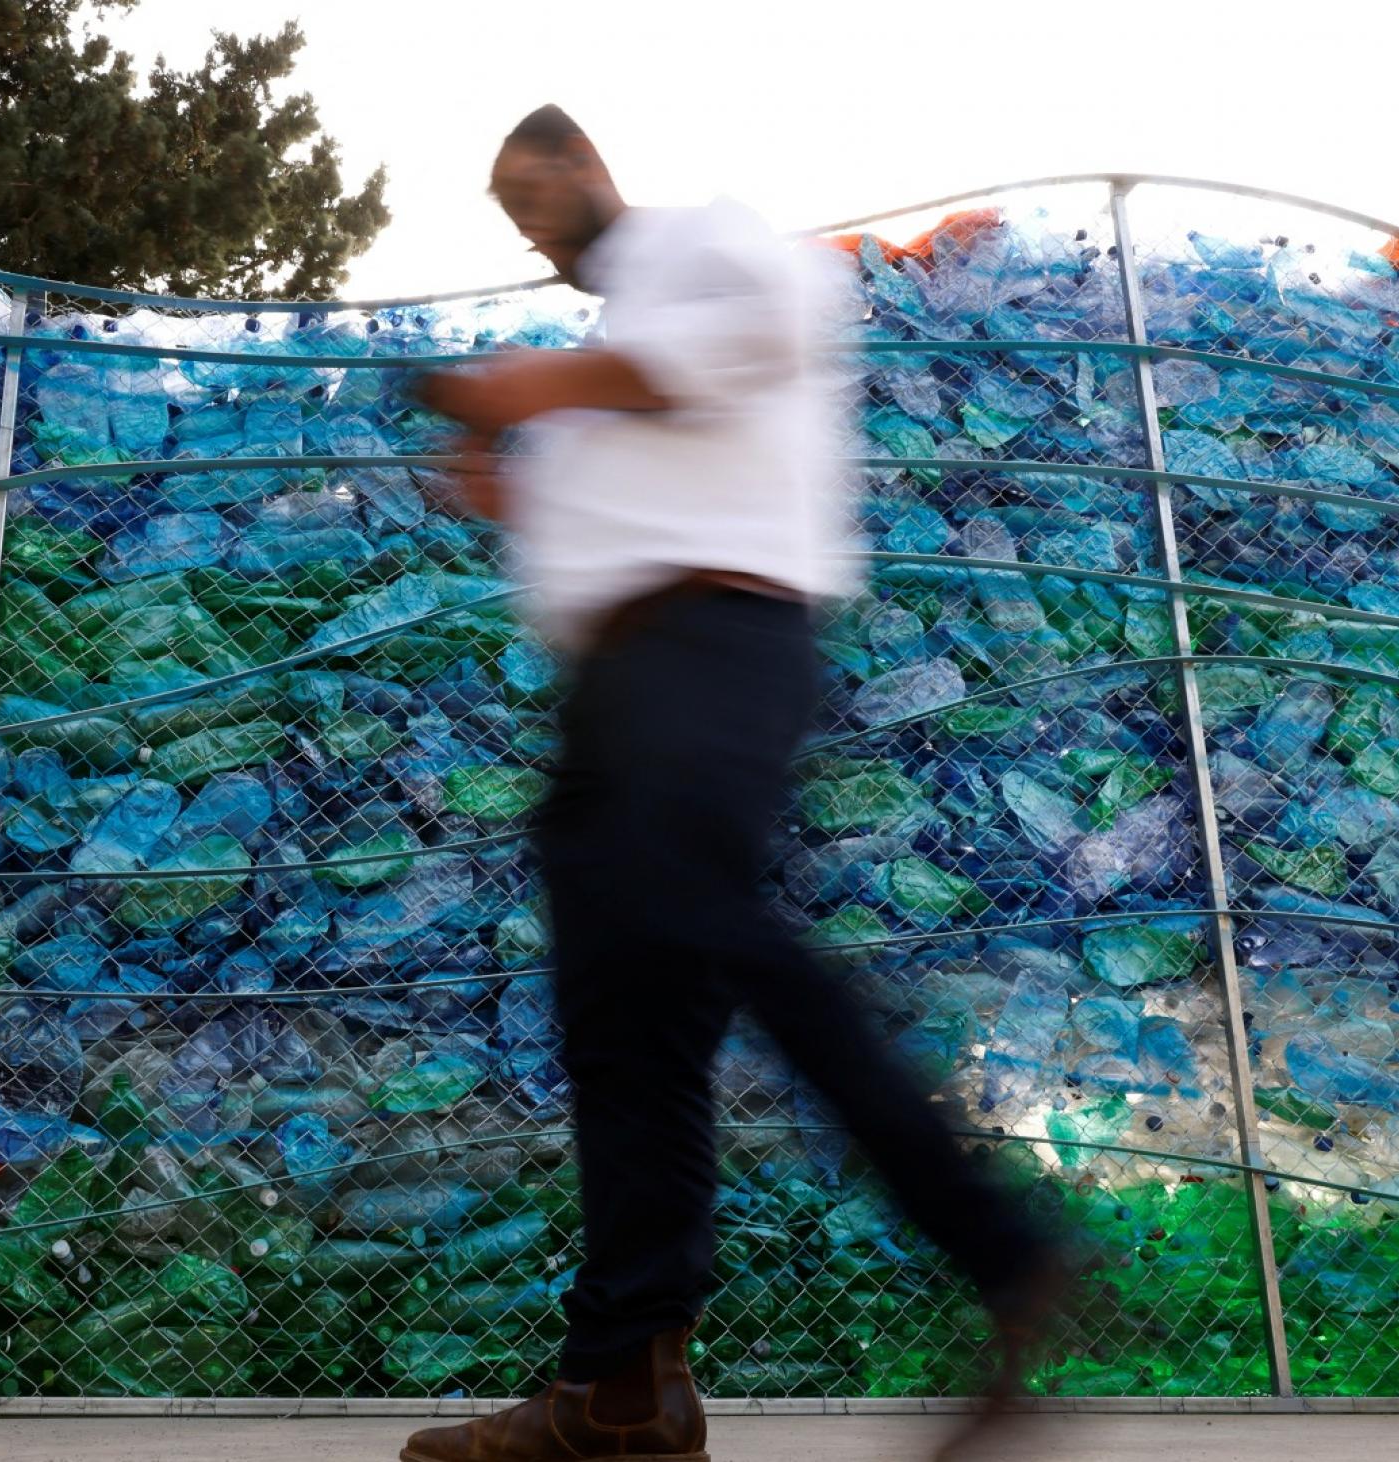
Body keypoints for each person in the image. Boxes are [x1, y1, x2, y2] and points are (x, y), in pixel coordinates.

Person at [397, 106, 1071, 1462]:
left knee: (713, 929)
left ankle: (1004, 1246)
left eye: (531, 195)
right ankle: (620, 1388)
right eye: (508, 213)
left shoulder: (700, 243)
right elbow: (623, 487)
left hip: (711, 650)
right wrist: (504, 491)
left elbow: (745, 343)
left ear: (585, 166)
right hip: (621, 687)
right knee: (626, 1034)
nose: (525, 225)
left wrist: (511, 391)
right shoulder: (608, 336)